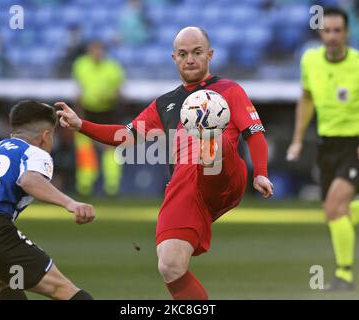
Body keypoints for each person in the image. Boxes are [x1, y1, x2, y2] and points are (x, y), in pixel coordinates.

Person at [57, 26, 274, 300]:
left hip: (224, 173)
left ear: (210, 54)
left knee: (207, 135)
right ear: (174, 58)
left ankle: (208, 143)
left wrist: (261, 173)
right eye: (183, 54)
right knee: (169, 265)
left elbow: (254, 133)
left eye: (197, 52)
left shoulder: (229, 90)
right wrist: (81, 125)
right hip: (187, 186)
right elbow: (125, 136)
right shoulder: (165, 104)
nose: (190, 59)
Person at [0, 100, 95, 300]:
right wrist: (71, 203)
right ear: (45, 136)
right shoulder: (33, 152)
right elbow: (29, 180)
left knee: (9, 279)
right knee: (62, 289)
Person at [287, 7, 359, 290]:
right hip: (326, 145)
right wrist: (297, 139)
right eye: (327, 30)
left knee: (335, 206)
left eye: (337, 31)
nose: (332, 36)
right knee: (334, 212)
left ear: (346, 33)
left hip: (357, 145)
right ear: (320, 32)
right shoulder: (310, 60)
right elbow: (306, 98)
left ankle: (344, 275)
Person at [72, 41, 125, 197]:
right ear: (88, 51)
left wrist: (110, 96)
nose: (96, 53)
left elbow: (119, 93)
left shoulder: (113, 68)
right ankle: (85, 185)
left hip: (108, 112)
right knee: (85, 150)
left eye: (99, 50)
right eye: (93, 49)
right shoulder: (81, 65)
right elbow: (79, 90)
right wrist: (78, 112)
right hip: (87, 111)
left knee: (110, 150)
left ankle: (112, 187)